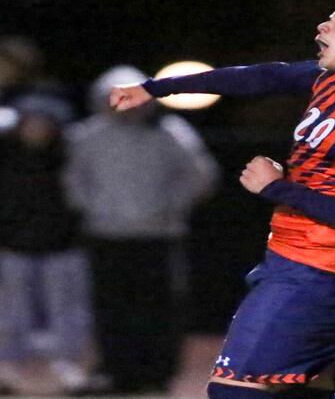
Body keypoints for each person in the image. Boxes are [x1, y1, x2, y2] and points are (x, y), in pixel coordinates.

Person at [110, 0, 335, 399]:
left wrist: (279, 188)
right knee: (301, 392)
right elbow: (263, 76)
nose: (323, 26)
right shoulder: (333, 81)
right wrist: (157, 88)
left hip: (330, 272)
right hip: (295, 257)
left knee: (235, 392)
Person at [64, 65, 221, 395]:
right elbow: (74, 180)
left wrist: (171, 207)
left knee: (159, 307)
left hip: (159, 235)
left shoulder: (170, 133)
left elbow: (201, 175)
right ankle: (115, 370)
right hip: (106, 234)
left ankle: (157, 372)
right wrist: (91, 208)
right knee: (112, 307)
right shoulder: (87, 136)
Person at [0, 94, 91, 395]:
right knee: (11, 312)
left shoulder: (71, 157)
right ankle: (7, 368)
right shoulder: (2, 158)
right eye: (30, 123)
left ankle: (67, 366)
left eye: (44, 123)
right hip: (14, 245)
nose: (36, 129)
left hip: (63, 244)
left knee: (67, 311)